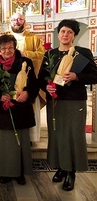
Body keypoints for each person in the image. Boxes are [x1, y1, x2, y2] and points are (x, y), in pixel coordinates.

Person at [38, 19, 97, 191]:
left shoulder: (83, 53)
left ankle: (71, 172)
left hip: (74, 101)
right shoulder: (50, 54)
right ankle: (61, 168)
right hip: (55, 102)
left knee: (73, 136)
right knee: (57, 136)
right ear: (58, 33)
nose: (65, 35)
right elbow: (41, 77)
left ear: (75, 35)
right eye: (63, 31)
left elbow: (95, 76)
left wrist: (76, 77)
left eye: (69, 32)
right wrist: (46, 86)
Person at [0, 34, 39, 185]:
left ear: (15, 48)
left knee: (20, 141)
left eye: (10, 48)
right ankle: (3, 172)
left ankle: (20, 172)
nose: (7, 51)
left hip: (21, 110)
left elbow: (34, 84)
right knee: (3, 143)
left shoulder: (26, 62)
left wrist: (27, 93)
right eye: (4, 48)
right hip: (1, 112)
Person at [8, 12, 46, 144]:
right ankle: (12, 133)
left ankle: (30, 137)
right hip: (10, 79)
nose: (16, 22)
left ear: (24, 21)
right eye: (13, 20)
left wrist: (26, 54)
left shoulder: (33, 38)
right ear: (10, 22)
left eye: (19, 19)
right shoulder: (6, 38)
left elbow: (42, 54)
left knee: (29, 104)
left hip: (29, 79)